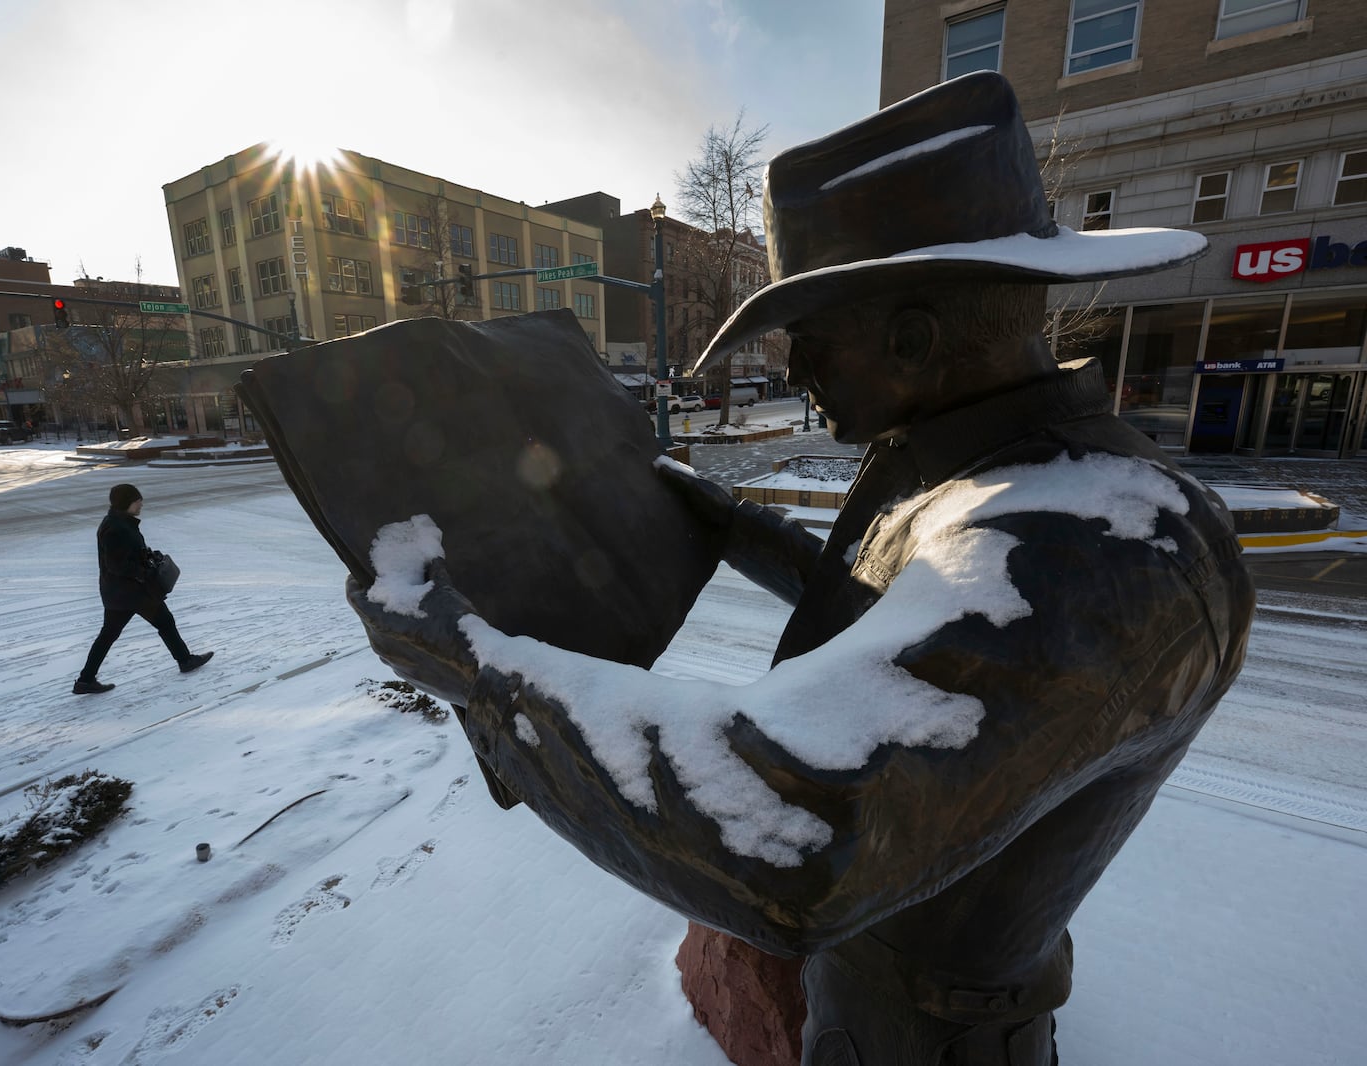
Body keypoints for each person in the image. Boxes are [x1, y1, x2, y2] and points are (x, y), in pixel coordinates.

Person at [345, 71, 1254, 1066]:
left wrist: (470, 664)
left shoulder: (1086, 546)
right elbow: (898, 609)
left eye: (807, 339)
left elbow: (791, 836)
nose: (792, 373)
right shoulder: (988, 469)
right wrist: (736, 527)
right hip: (878, 997)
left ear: (909, 338)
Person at [72, 483, 212, 694]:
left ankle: (85, 680)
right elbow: (117, 564)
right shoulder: (116, 528)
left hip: (119, 593)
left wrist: (147, 555)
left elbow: (126, 555)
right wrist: (144, 571)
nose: (141, 503)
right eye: (137, 500)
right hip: (131, 592)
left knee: (109, 634)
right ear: (127, 502)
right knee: (164, 622)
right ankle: (185, 660)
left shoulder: (119, 522)